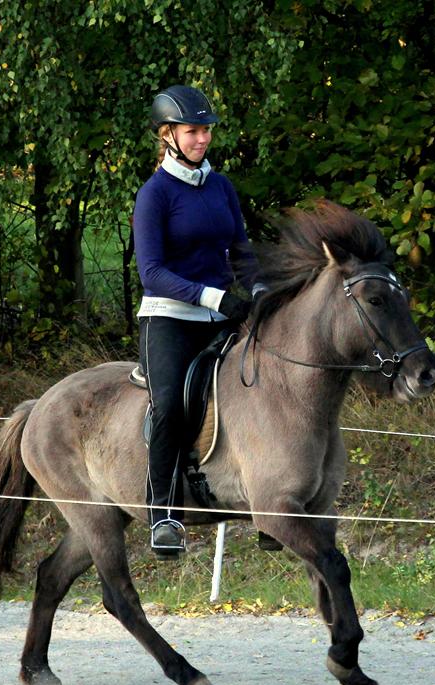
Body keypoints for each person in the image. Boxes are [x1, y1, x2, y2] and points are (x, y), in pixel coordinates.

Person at [133, 84, 256, 558]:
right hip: (170, 318)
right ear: (168, 136)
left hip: (220, 312)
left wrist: (260, 289)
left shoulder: (221, 187)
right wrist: (214, 296)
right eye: (192, 132)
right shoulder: (155, 194)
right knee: (170, 403)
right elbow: (152, 273)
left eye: (205, 131)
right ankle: (163, 514)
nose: (202, 139)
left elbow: (241, 250)